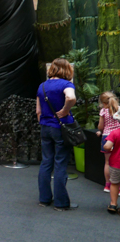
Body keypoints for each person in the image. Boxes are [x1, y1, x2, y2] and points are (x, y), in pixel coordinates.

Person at [36, 58, 77, 211]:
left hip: (45, 127)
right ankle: (61, 203)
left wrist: (44, 123)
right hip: (61, 128)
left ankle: (44, 199)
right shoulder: (67, 84)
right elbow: (71, 97)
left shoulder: (42, 86)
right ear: (67, 70)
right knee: (60, 163)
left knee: (46, 162)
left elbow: (38, 111)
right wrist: (66, 110)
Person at [96, 92, 120, 192]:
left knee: (107, 162)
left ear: (103, 102)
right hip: (118, 135)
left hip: (107, 137)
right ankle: (118, 187)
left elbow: (101, 126)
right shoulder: (118, 109)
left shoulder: (103, 111)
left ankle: (107, 185)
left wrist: (99, 130)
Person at [103, 129, 120, 213]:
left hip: (116, 163)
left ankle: (113, 204)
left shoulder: (115, 133)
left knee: (114, 183)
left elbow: (107, 146)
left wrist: (110, 149)